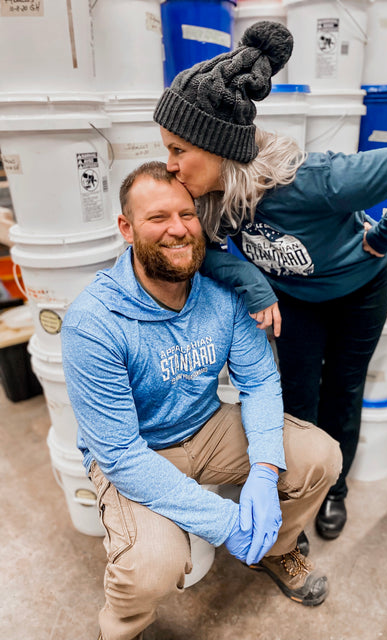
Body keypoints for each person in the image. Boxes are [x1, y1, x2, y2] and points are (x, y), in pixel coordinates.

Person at [153, 20, 387, 547]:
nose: (170, 167)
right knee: (298, 401)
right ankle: (299, 500)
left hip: (359, 292)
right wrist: (255, 285)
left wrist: (385, 236)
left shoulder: (316, 183)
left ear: (218, 149)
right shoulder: (208, 195)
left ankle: (335, 489)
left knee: (343, 391)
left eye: (178, 151)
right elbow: (202, 249)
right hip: (298, 301)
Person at [61, 161, 342, 640]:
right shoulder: (93, 323)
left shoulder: (220, 297)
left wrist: (264, 470)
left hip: (207, 428)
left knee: (320, 457)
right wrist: (225, 521)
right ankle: (124, 627)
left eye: (187, 214)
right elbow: (121, 455)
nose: (178, 229)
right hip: (138, 452)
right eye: (158, 218)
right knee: (152, 565)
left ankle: (274, 550)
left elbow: (259, 382)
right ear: (127, 229)